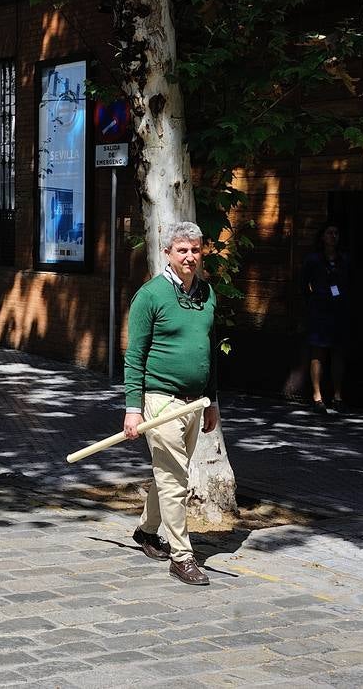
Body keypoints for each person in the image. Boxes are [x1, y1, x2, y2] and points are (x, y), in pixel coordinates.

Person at [122, 221, 220, 587]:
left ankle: (147, 531)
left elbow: (210, 352)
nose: (190, 256)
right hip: (161, 401)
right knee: (176, 479)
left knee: (169, 476)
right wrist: (133, 407)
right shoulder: (150, 295)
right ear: (168, 253)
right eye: (182, 250)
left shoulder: (207, 294)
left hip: (195, 403)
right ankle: (182, 557)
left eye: (195, 249)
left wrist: (213, 403)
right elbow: (135, 356)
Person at [303, 222, 349, 414]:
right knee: (318, 352)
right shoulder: (314, 260)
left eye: (336, 233)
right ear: (322, 237)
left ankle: (338, 396)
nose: (333, 236)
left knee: (338, 352)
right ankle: (317, 396)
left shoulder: (343, 260)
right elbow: (303, 283)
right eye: (329, 232)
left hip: (338, 310)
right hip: (319, 310)